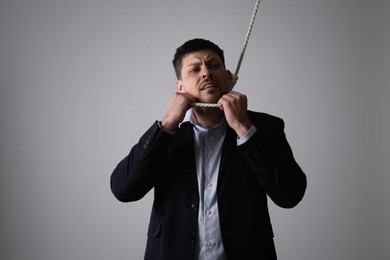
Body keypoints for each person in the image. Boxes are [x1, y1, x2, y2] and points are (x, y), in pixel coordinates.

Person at [110, 38, 307, 260]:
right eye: (195, 69)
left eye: (214, 66)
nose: (206, 73)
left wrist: (244, 129)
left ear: (229, 77)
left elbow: (290, 194)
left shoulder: (265, 128)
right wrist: (166, 124)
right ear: (180, 87)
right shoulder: (165, 136)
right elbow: (123, 189)